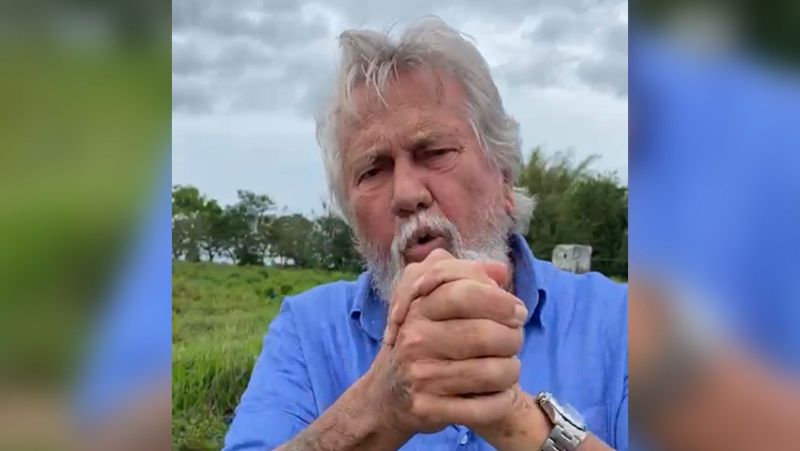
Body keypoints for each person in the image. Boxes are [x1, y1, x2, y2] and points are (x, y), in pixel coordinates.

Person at [224, 17, 627, 451]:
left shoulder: (624, 323)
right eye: (372, 170)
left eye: (435, 153)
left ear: (504, 177)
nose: (406, 194)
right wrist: (376, 407)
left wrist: (513, 416)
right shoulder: (307, 333)